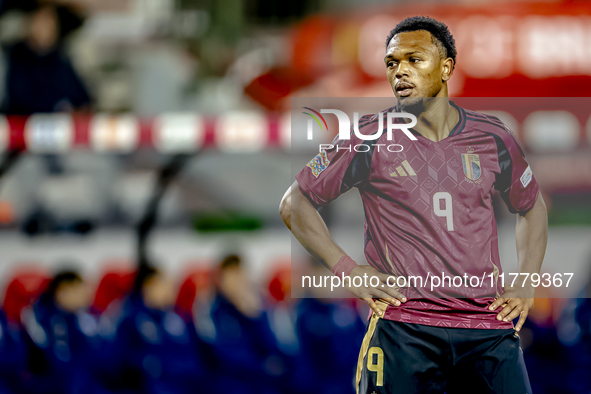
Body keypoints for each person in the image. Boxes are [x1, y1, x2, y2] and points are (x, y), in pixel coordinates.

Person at [280, 16, 548, 394]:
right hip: (404, 331)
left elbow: (532, 207)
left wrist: (527, 280)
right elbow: (295, 202)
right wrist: (348, 269)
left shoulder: (494, 137)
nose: (400, 71)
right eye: (392, 63)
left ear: (446, 67)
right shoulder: (368, 137)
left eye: (414, 60)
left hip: (486, 331)